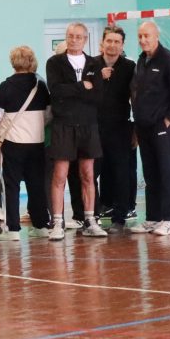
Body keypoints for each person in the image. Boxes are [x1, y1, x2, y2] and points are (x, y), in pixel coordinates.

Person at [46, 22, 106, 239]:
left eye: (78, 36)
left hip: (88, 126)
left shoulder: (94, 64)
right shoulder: (54, 63)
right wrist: (82, 87)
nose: (74, 39)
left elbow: (98, 95)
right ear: (66, 37)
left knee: (88, 175)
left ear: (85, 39)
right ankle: (58, 223)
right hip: (63, 125)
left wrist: (75, 92)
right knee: (60, 175)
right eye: (70, 36)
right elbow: (56, 91)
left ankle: (90, 220)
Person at [0, 46, 52, 241]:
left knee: (11, 186)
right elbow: (49, 113)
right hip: (37, 142)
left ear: (12, 62)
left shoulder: (6, 86)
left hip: (13, 142)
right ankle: (41, 225)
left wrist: (1, 132)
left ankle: (13, 229)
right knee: (37, 184)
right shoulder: (40, 85)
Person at [130, 21, 170, 235]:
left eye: (147, 35)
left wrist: (168, 119)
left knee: (168, 171)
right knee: (151, 173)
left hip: (162, 127)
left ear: (156, 36)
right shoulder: (141, 61)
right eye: (140, 36)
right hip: (144, 127)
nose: (143, 40)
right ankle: (154, 218)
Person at [84, 26, 137, 233]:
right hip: (93, 127)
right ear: (102, 43)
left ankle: (120, 218)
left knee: (121, 172)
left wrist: (137, 129)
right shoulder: (91, 64)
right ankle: (92, 216)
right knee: (91, 173)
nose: (112, 45)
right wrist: (99, 77)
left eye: (117, 42)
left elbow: (136, 98)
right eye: (109, 41)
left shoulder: (130, 66)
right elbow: (83, 92)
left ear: (122, 45)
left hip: (120, 127)